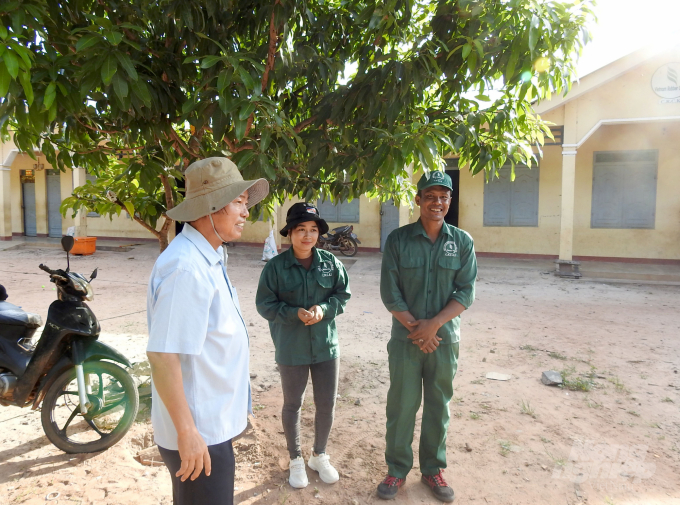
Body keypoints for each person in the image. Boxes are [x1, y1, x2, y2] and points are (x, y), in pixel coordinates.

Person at [146, 157, 268, 505]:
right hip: (199, 432)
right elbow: (162, 354)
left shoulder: (206, 256)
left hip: (208, 426)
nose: (246, 213)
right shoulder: (186, 267)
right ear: (211, 207)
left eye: (246, 203)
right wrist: (188, 433)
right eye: (239, 203)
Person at [377, 171, 477, 502]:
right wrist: (418, 329)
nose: (437, 202)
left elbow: (465, 292)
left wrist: (433, 326)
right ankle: (396, 470)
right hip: (406, 340)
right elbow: (391, 293)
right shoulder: (398, 240)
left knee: (438, 404)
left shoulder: (462, 242)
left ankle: (433, 470)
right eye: (430, 196)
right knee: (402, 404)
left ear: (450, 201)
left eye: (444, 197)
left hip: (444, 340)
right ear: (418, 199)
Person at [255, 202, 351, 489]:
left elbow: (342, 295)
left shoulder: (330, 263)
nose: (307, 236)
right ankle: (296, 458)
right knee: (293, 404)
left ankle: (319, 455)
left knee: (326, 404)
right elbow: (265, 304)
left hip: (325, 347)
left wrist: (324, 308)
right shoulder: (275, 267)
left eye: (312, 230)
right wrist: (292, 313)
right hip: (291, 347)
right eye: (301, 230)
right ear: (290, 233)